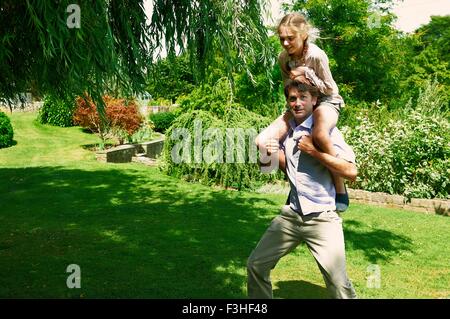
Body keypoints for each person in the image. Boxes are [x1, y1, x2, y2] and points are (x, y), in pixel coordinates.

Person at [248, 80, 357, 299]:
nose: (297, 103)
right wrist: (266, 154)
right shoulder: (287, 133)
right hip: (291, 216)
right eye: (292, 99)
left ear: (314, 100)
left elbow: (351, 171)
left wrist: (314, 151)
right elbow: (265, 168)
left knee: (338, 284)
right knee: (255, 265)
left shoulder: (327, 132)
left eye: (303, 97)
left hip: (322, 219)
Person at [255, 12, 349, 211]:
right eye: (282, 39)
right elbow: (288, 89)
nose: (286, 43)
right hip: (300, 103)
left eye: (291, 38)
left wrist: (307, 75)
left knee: (320, 134)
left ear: (303, 35)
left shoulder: (316, 55)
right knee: (262, 142)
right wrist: (294, 106)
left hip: (326, 102)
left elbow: (330, 89)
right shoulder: (283, 58)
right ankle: (296, 185)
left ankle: (340, 188)